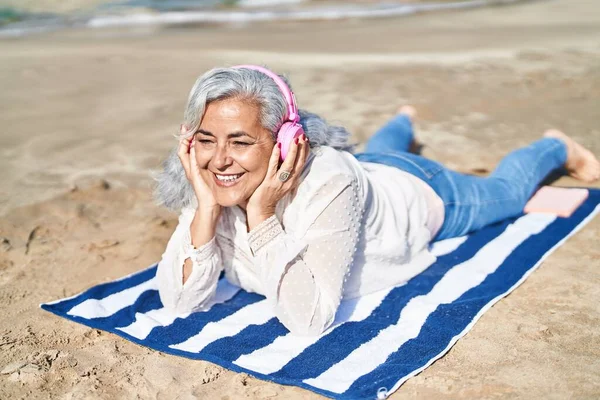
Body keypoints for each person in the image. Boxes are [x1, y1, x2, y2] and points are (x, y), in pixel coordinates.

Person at [154, 65, 600, 336]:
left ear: (286, 143)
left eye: (241, 141)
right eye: (206, 139)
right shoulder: (211, 176)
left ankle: (556, 147)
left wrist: (262, 214)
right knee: (381, 151)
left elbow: (308, 320)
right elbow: (178, 304)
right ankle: (402, 122)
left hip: (423, 191)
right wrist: (207, 210)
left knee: (507, 193)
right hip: (371, 169)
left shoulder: (331, 180)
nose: (219, 159)